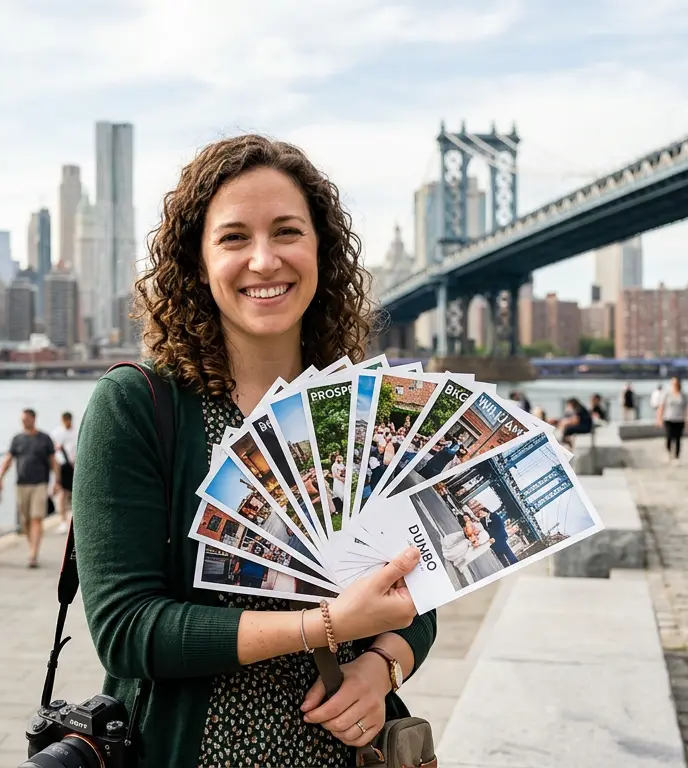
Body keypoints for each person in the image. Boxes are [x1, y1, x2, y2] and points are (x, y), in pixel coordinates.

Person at [73, 135, 437, 767]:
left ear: (321, 250)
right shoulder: (138, 405)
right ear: (197, 260)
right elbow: (126, 629)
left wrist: (381, 668)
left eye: (288, 231)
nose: (265, 260)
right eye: (234, 237)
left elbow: (419, 591)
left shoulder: (363, 407)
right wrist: (324, 626)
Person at [0, 408, 56, 568]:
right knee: (26, 520)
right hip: (22, 484)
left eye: (26, 419)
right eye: (22, 419)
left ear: (33, 419)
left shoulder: (45, 439)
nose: (23, 421)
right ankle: (32, 547)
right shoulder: (17, 439)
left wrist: (57, 482)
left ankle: (33, 553)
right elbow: (8, 459)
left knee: (36, 517)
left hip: (40, 483)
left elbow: (53, 461)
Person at [49, 411, 77, 535]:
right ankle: (63, 521)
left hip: (76, 465)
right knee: (63, 493)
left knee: (75, 493)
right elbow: (53, 451)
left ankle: (74, 520)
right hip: (63, 465)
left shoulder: (76, 432)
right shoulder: (57, 433)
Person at [657, 376, 688, 464]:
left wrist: (686, 421)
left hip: (679, 419)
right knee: (669, 437)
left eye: (676, 383)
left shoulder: (683, 395)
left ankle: (676, 457)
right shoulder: (667, 394)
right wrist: (659, 418)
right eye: (673, 383)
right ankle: (668, 452)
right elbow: (661, 406)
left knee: (678, 438)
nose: (674, 385)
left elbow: (685, 409)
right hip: (669, 418)